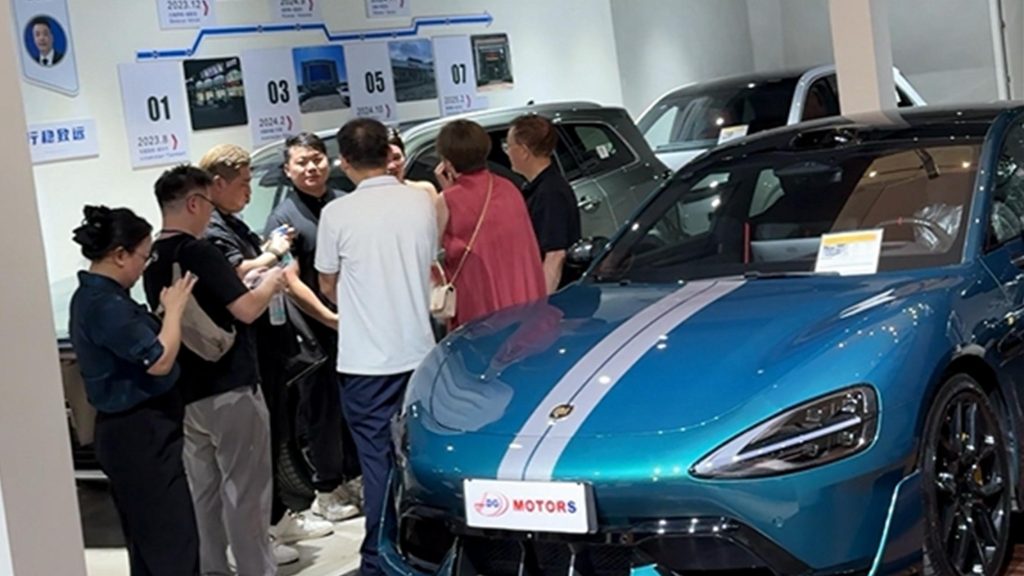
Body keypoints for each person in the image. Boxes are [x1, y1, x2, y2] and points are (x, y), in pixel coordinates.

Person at [143, 165, 286, 576]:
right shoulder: (198, 251)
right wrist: (272, 282)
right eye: (207, 203)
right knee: (246, 493)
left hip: (186, 392)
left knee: (203, 493)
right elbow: (246, 308)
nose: (210, 213)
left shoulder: (153, 257)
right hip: (231, 384)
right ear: (193, 202)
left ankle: (212, 570)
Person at [198, 144, 338, 556]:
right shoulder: (212, 232)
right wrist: (270, 256)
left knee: (277, 435)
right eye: (242, 184)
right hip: (241, 356)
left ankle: (278, 517)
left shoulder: (233, 223)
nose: (247, 192)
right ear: (216, 184)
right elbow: (236, 275)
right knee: (250, 454)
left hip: (268, 350)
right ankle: (262, 534)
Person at [315, 118, 437, 576]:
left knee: (376, 463)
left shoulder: (337, 214)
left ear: (343, 162)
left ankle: (379, 560)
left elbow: (327, 282)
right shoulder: (420, 202)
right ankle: (424, 549)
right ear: (389, 152)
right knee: (418, 461)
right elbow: (428, 263)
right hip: (420, 351)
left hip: (365, 359)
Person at [69, 205, 199, 576]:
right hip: (140, 436)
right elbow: (157, 360)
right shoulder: (105, 304)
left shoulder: (98, 299)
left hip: (135, 435)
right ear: (120, 254)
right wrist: (173, 311)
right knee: (171, 543)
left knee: (151, 543)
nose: (146, 264)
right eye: (144, 256)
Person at [264, 133, 363, 523]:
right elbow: (290, 280)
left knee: (355, 404)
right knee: (321, 409)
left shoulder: (344, 202)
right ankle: (327, 487)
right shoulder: (283, 219)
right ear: (288, 171)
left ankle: (355, 478)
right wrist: (331, 318)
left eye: (317, 159)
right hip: (315, 330)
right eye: (302, 162)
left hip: (357, 325)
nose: (311, 168)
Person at [435, 119, 547, 328]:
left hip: (479, 303)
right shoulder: (509, 188)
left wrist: (448, 190)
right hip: (522, 299)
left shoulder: (447, 201)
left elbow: (434, 251)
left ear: (447, 162)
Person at [506, 115, 582, 292]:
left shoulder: (550, 193)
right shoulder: (539, 187)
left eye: (508, 147)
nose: (507, 153)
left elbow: (555, 255)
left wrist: (541, 305)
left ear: (524, 151)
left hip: (558, 301)